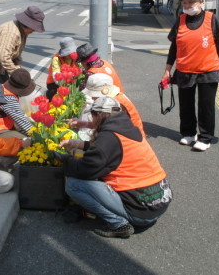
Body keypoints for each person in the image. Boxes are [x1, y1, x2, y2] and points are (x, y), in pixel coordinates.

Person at [56, 97, 172, 238]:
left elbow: (86, 170)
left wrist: (65, 160)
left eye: (93, 115)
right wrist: (79, 144)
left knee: (73, 185)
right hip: (160, 199)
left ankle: (118, 224)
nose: (92, 120)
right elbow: (110, 150)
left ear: (99, 115)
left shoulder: (108, 138)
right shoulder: (128, 128)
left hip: (141, 210)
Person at [161, 0, 219, 152]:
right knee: (185, 105)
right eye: (185, 3)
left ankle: (205, 137)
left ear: (201, 2)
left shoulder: (211, 19)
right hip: (185, 70)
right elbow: (174, 48)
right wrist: (167, 70)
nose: (187, 6)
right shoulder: (180, 20)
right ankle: (188, 133)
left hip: (208, 70)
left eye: (191, 2)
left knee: (206, 106)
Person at [0, 6, 45, 83]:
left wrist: (19, 70)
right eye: (33, 29)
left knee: (7, 87)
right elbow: (4, 57)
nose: (33, 31)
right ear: (27, 25)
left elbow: (16, 54)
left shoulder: (22, 31)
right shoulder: (11, 33)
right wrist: (18, 75)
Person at [80, 73, 146, 138]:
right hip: (133, 135)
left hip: (129, 138)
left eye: (94, 95)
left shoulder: (114, 104)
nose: (92, 98)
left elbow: (106, 128)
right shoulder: (116, 97)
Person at [0, 68, 36, 138]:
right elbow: (23, 122)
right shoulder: (8, 99)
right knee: (24, 141)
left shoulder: (2, 88)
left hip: (1, 122)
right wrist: (40, 137)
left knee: (25, 128)